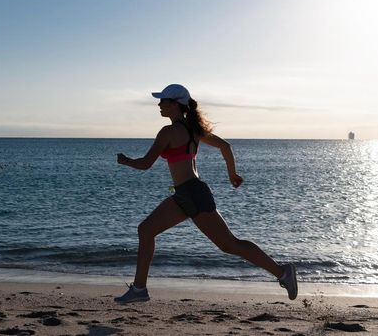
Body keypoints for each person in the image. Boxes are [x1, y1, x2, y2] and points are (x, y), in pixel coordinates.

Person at [114, 84, 297, 304]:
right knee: (146, 230)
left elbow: (145, 164)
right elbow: (225, 147)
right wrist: (232, 174)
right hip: (187, 193)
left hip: (192, 194)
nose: (159, 104)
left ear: (175, 104)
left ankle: (282, 272)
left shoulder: (168, 132)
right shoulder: (194, 130)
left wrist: (125, 161)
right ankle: (139, 289)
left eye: (163, 101)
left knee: (230, 245)